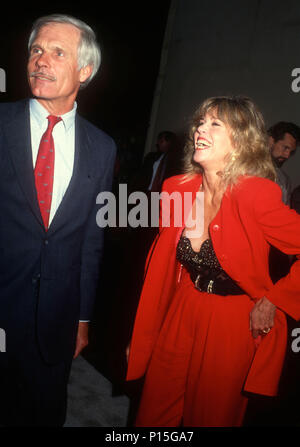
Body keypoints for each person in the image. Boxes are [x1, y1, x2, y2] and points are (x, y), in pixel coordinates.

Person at [126, 96, 300, 427]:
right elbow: (160, 266)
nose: (200, 130)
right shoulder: (176, 189)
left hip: (232, 321)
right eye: (200, 123)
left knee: (211, 416)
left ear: (240, 141)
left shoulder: (256, 194)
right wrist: (143, 334)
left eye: (215, 124)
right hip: (182, 308)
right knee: (153, 411)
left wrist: (276, 300)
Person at [0, 14, 116, 426]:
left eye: (57, 52)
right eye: (36, 50)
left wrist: (82, 319)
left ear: (84, 71)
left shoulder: (102, 148)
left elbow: (92, 239)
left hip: (56, 318)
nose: (41, 61)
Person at [268, 121, 300, 205]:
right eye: (285, 148)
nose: (287, 155)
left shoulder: (284, 181)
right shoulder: (246, 169)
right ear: (271, 141)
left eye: (291, 151)